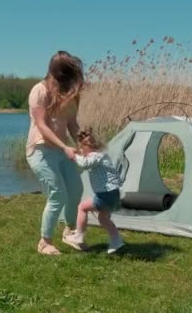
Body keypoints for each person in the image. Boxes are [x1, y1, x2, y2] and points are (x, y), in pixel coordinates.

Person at [26, 51, 85, 256]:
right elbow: (42, 126)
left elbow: (71, 124)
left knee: (76, 189)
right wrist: (65, 147)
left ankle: (69, 231)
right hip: (40, 150)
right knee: (58, 194)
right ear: (56, 75)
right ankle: (45, 242)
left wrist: (85, 143)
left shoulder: (71, 94)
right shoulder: (39, 92)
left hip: (61, 150)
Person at [65, 128, 125, 254]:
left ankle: (78, 236)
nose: (82, 151)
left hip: (106, 194)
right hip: (113, 193)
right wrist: (78, 154)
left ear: (88, 146)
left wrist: (74, 156)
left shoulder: (97, 155)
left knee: (82, 207)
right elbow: (87, 160)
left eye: (82, 148)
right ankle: (116, 240)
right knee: (103, 218)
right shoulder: (100, 155)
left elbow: (85, 164)